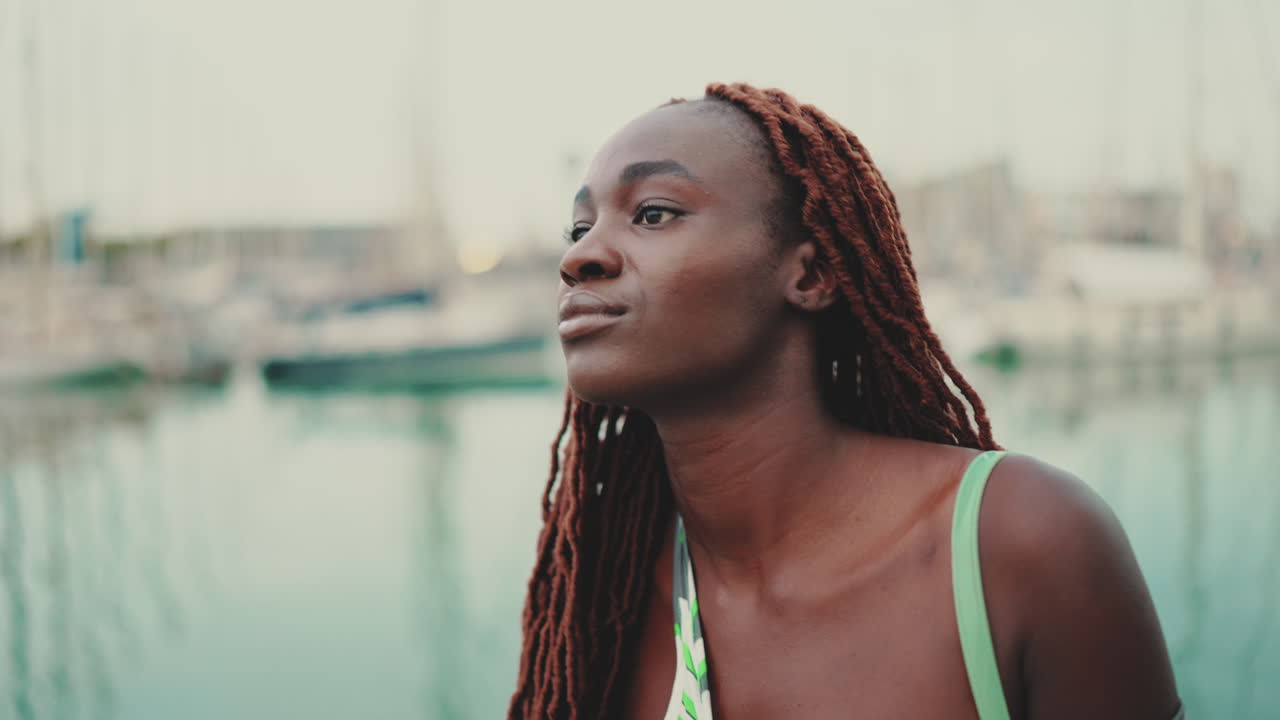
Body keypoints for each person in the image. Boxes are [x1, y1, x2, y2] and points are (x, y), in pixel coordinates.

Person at [508, 83, 1182, 720]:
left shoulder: (1021, 542)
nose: (581, 257)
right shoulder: (606, 592)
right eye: (578, 229)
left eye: (653, 213)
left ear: (812, 271)